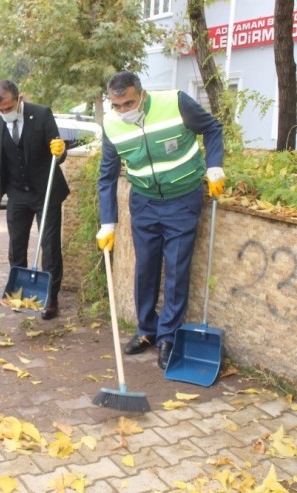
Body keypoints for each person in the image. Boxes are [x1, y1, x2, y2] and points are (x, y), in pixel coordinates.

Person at [96, 71, 225, 369]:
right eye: (116, 106)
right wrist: (108, 223)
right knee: (145, 268)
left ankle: (168, 335)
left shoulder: (176, 103)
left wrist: (215, 166)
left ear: (142, 94)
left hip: (182, 198)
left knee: (177, 268)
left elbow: (213, 129)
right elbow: (107, 175)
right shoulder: (112, 125)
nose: (122, 111)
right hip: (144, 201)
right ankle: (147, 331)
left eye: (128, 103)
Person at [0, 80, 67, 320]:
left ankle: (50, 298)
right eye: (0, 110)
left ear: (20, 99)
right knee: (16, 245)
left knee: (49, 245)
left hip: (45, 190)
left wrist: (60, 150)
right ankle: (18, 293)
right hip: (17, 193)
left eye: (9, 108)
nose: (4, 114)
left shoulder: (41, 114)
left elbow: (57, 152)